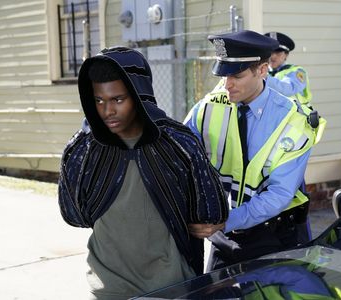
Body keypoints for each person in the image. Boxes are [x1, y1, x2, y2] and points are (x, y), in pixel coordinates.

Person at [58, 46, 228, 299]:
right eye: (99, 100)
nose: (107, 111)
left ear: (139, 95)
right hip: (108, 287)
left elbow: (211, 215)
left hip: (171, 285)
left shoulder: (178, 144)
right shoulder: (81, 150)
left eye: (118, 99)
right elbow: (73, 214)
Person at [184, 30, 317, 270]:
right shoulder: (208, 108)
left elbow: (278, 194)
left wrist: (224, 221)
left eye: (236, 74)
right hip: (222, 234)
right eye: (222, 74)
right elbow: (181, 158)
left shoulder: (295, 122)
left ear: (263, 70)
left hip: (274, 236)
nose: (227, 84)